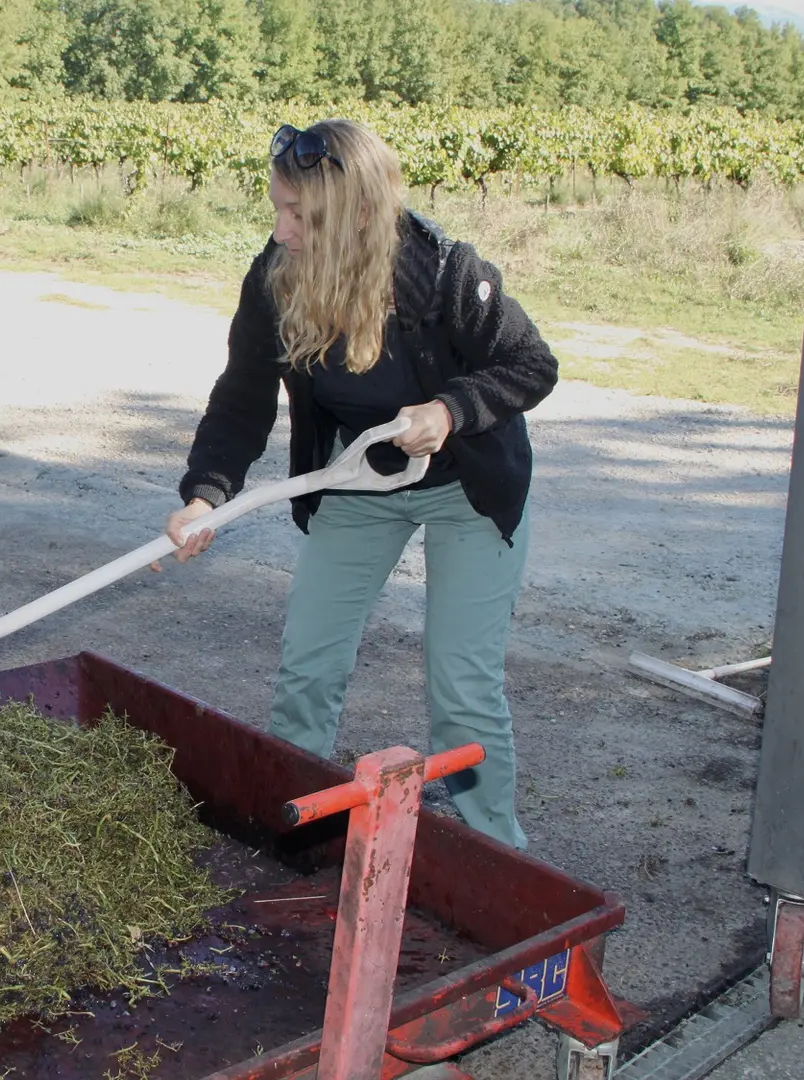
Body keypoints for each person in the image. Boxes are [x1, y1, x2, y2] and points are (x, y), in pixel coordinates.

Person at [155, 119, 558, 850]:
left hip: (467, 485)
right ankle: (293, 836)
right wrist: (205, 494)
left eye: (300, 217)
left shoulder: (444, 274)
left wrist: (449, 409)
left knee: (461, 689)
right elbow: (242, 394)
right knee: (308, 664)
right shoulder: (275, 277)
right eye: (276, 208)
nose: (280, 232)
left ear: (360, 215)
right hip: (358, 477)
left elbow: (532, 365)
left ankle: (494, 852)